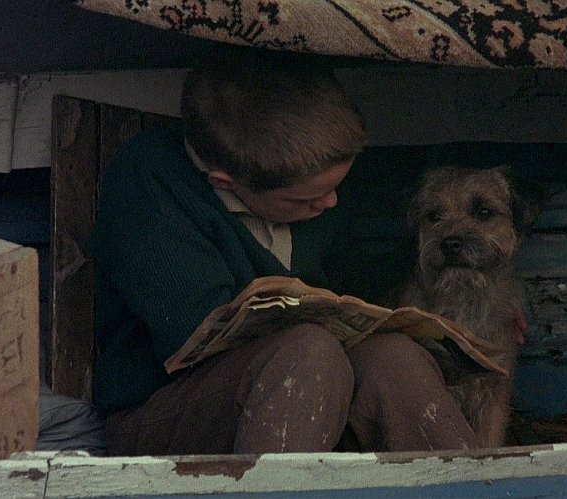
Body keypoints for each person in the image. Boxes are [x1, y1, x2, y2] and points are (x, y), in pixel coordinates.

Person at [89, 45, 480, 455]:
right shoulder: (149, 180)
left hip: (309, 399)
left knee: (393, 357)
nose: (330, 202)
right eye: (306, 199)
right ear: (225, 183)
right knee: (308, 354)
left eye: (336, 187)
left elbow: (355, 278)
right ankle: (278, 485)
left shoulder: (309, 179)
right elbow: (190, 330)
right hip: (166, 412)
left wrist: (472, 285)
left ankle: (469, 481)